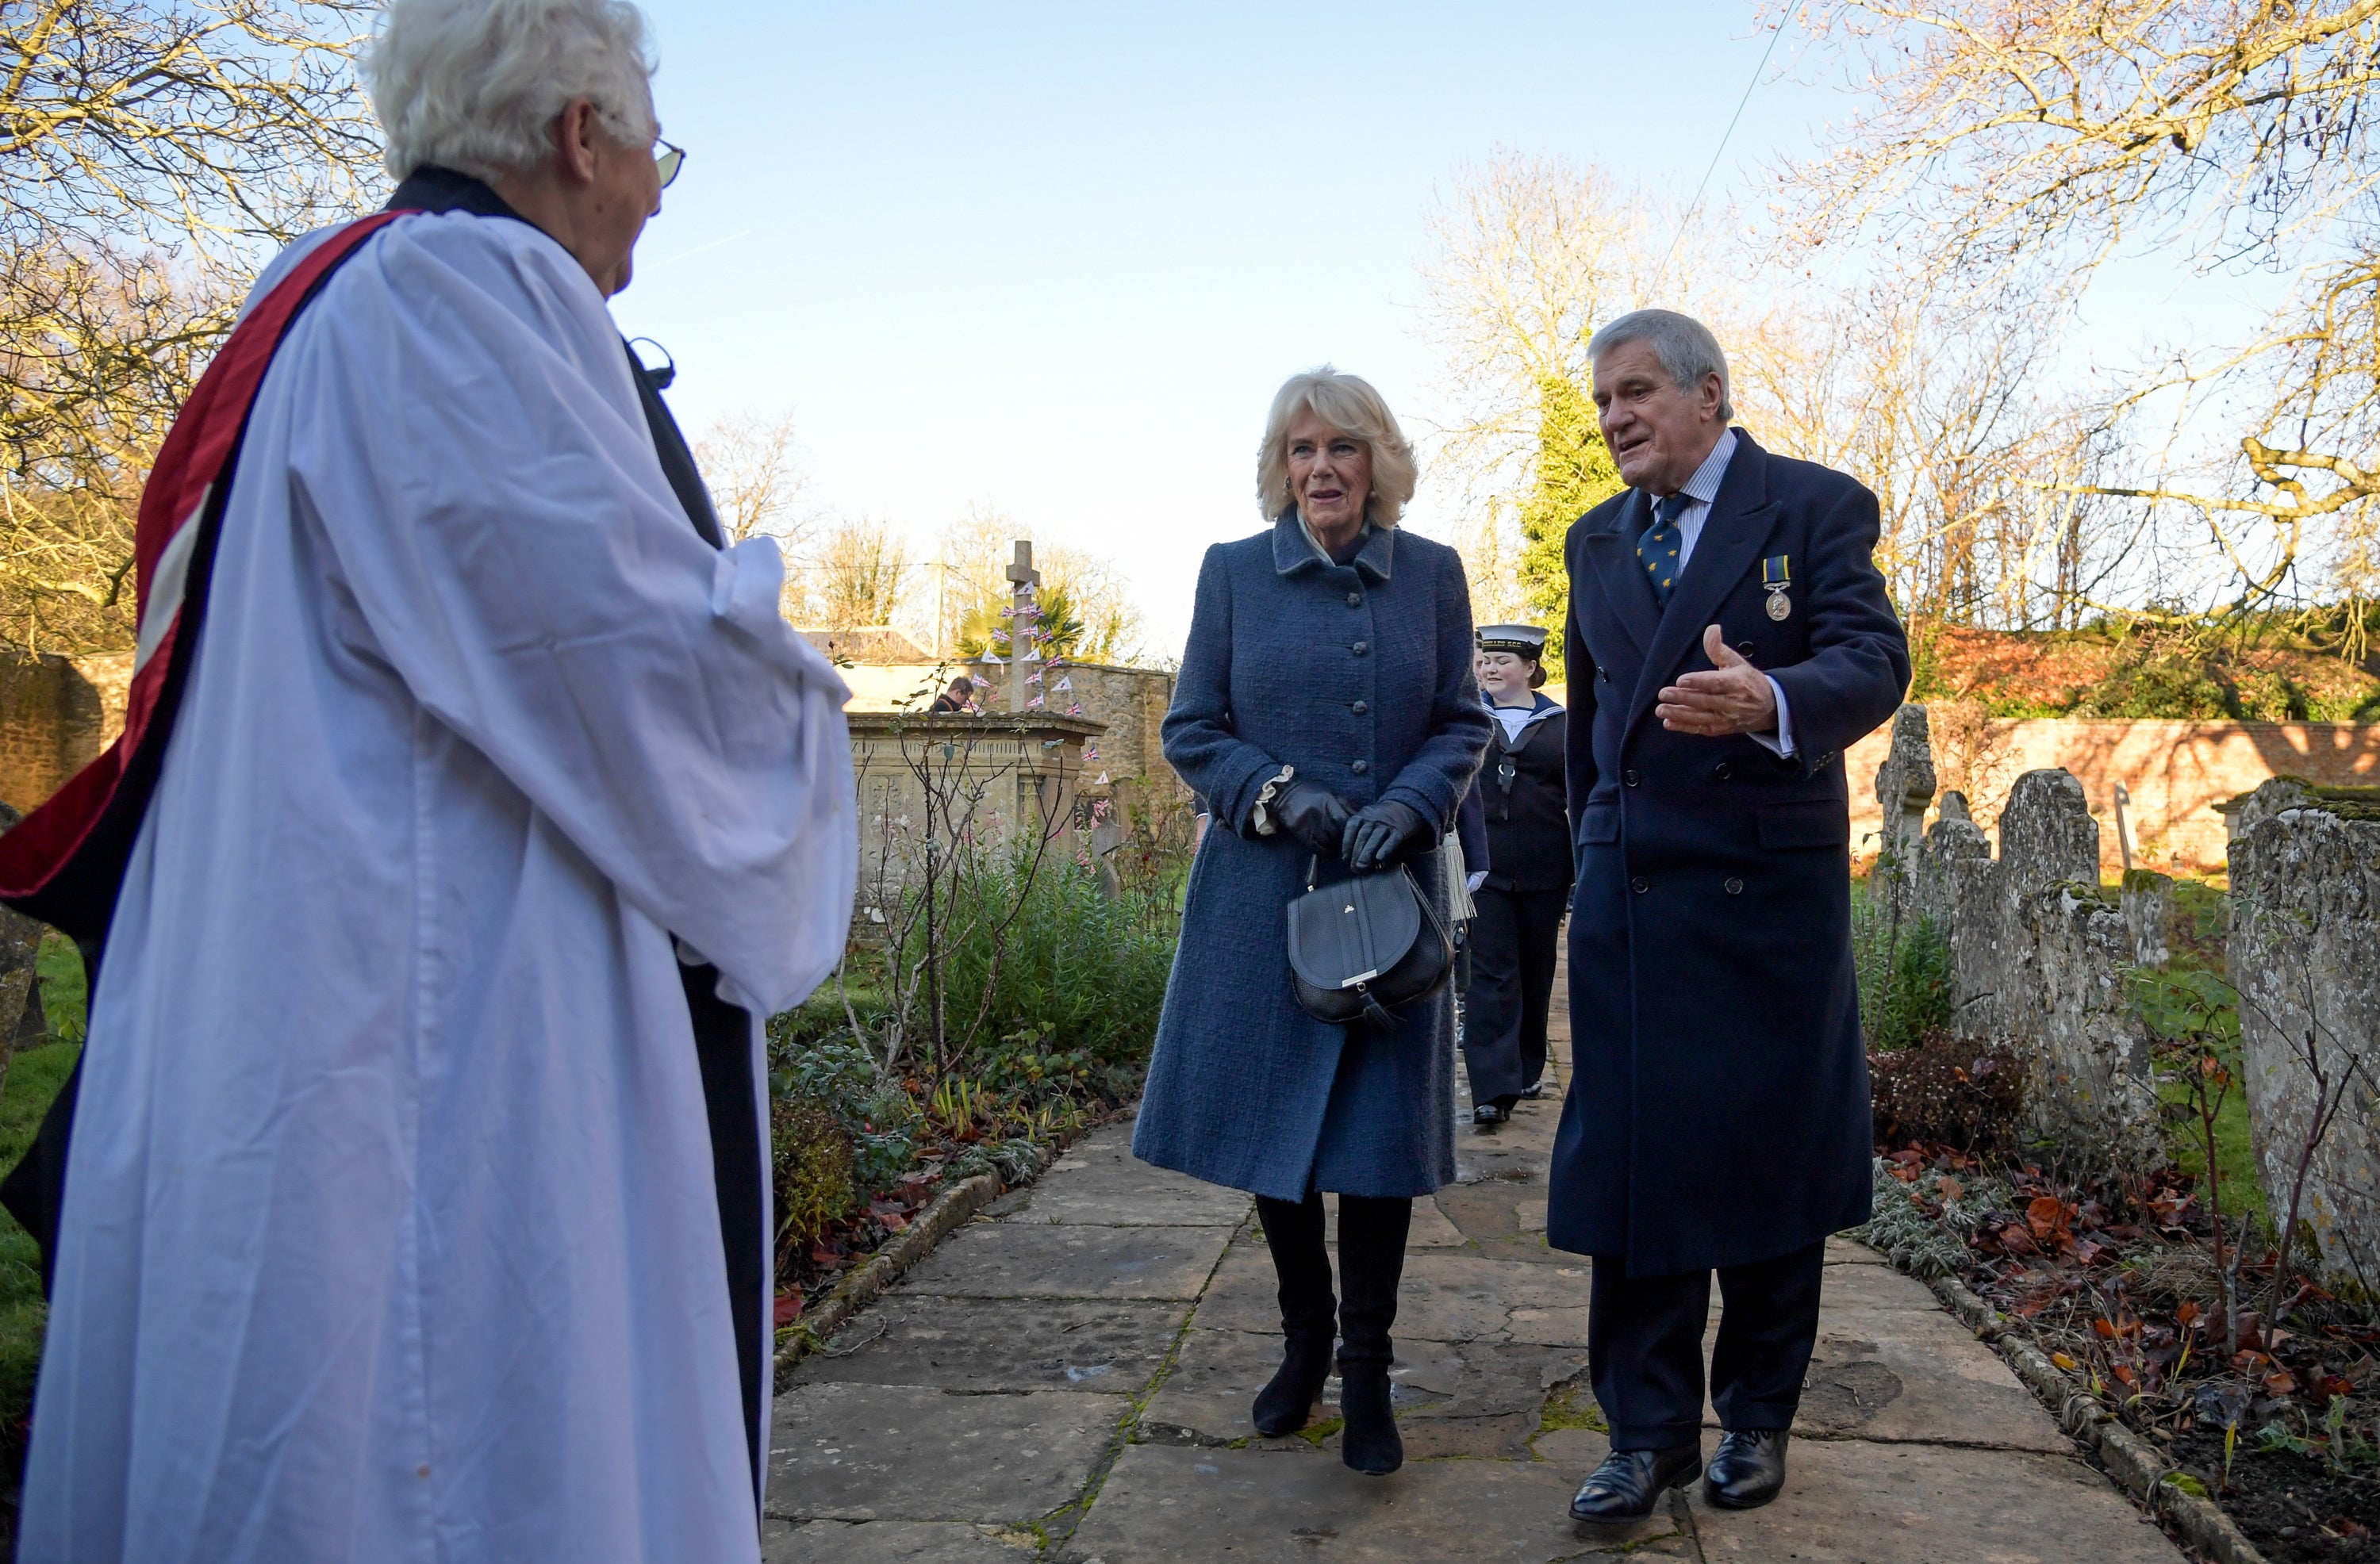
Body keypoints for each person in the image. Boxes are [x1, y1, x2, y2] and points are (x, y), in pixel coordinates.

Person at [0, 2, 858, 1558]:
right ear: (579, 135)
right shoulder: (464, 299)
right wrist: (771, 653)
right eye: (653, 150)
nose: (658, 195)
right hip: (434, 1048)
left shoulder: (310, 302)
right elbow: (634, 678)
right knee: (442, 1442)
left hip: (311, 991)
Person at [1549, 309, 1908, 1524]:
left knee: (1769, 1165)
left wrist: (1773, 698)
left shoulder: (1811, 508)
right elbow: (1594, 730)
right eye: (1605, 402)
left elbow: (1873, 659)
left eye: (1637, 392)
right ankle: (1643, 1436)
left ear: (1710, 393)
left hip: (1767, 902)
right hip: (1636, 901)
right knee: (1634, 1174)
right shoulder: (1594, 540)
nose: (1616, 420)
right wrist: (1593, 856)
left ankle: (1757, 1417)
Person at [1134, 367, 1491, 1477]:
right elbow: (1192, 729)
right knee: (1271, 1134)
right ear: (1279, 469)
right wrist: (1279, 792)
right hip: (1261, 896)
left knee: (1377, 1149)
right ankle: (1304, 1343)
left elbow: (1461, 719)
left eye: (1343, 447)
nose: (1322, 468)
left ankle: (1370, 1373)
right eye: (1302, 451)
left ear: (1379, 462)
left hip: (1390, 902)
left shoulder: (1430, 574)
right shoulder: (1233, 574)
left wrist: (1410, 805)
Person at [1463, 623, 1570, 1127]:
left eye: (1502, 661)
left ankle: (1527, 1068)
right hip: (1484, 871)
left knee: (1534, 969)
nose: (1490, 669)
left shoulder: (1563, 725)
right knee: (1490, 973)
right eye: (1485, 661)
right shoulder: (1466, 723)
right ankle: (1491, 1087)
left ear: (1530, 668)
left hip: (1546, 868)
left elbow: (1581, 795)